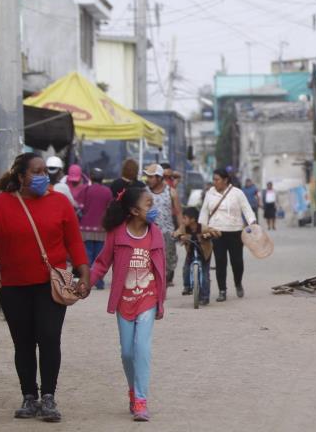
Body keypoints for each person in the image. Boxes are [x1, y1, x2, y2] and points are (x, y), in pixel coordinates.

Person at [0, 152, 90, 422]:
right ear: (21, 176)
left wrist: (84, 273)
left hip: (50, 284)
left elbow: (74, 241)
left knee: (49, 337)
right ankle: (29, 397)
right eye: (36, 172)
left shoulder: (60, 202)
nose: (42, 177)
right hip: (13, 285)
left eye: (45, 172)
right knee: (24, 342)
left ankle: (48, 397)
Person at [87, 187, 166, 422]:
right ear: (133, 210)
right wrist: (86, 284)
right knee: (127, 353)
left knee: (142, 348)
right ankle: (132, 391)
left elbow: (160, 270)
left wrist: (159, 302)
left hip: (147, 299)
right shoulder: (117, 234)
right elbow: (101, 264)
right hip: (124, 301)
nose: (153, 210)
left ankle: (141, 400)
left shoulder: (157, 235)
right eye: (148, 205)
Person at [198, 168, 257, 302]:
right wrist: (202, 227)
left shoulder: (237, 193)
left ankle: (238, 283)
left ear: (225, 180)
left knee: (237, 262)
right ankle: (222, 290)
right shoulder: (210, 194)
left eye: (217, 179)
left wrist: (252, 222)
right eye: (213, 179)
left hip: (235, 231)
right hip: (216, 232)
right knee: (220, 262)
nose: (215, 182)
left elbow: (247, 209)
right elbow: (204, 212)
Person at [143, 164, 183, 287]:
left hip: (168, 232)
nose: (148, 179)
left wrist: (182, 229)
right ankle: (157, 284)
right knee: (151, 260)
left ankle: (167, 276)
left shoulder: (171, 192)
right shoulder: (145, 192)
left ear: (159, 178)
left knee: (170, 261)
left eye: (151, 177)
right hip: (150, 232)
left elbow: (178, 212)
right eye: (147, 177)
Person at [75, 167, 113, 289]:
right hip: (102, 230)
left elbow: (79, 208)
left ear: (91, 177)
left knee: (88, 257)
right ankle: (99, 282)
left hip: (86, 230)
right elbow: (110, 209)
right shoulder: (107, 192)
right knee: (99, 258)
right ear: (102, 178)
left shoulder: (86, 190)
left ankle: (88, 281)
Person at [174, 207, 219, 305]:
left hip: (204, 253)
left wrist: (207, 235)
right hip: (191, 252)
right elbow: (175, 233)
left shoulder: (202, 227)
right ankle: (187, 287)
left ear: (193, 219)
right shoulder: (183, 228)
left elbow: (216, 232)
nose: (182, 220)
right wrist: (180, 236)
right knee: (186, 269)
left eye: (184, 218)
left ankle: (205, 296)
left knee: (205, 275)